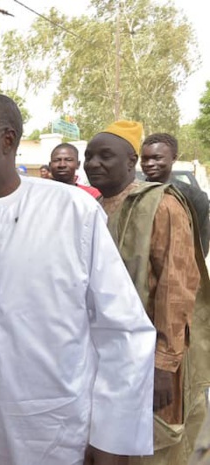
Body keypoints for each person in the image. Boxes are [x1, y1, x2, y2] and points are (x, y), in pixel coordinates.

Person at [0, 92, 157, 464]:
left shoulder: (70, 211)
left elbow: (122, 331)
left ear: (8, 141)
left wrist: (112, 439)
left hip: (54, 430)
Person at [85, 121, 210, 465]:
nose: (93, 163)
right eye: (89, 156)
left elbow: (177, 286)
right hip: (104, 357)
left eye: (105, 156)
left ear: (130, 161)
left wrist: (164, 366)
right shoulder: (89, 208)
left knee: (155, 448)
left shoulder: (162, 206)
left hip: (152, 362)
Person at [141, 133, 210, 256]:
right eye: (145, 159)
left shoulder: (194, 196)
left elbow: (201, 241)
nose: (149, 163)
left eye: (157, 158)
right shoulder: (136, 194)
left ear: (173, 158)